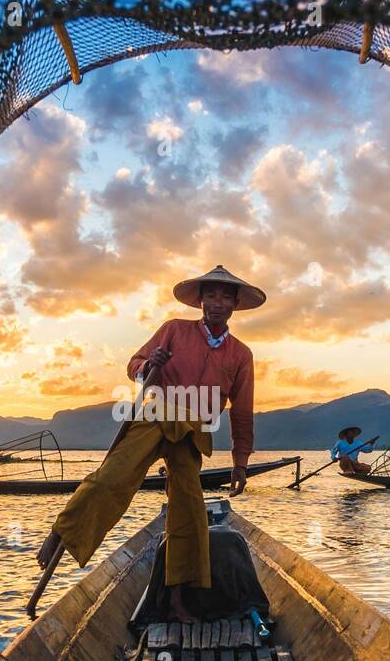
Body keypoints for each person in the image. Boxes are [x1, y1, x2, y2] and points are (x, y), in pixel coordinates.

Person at [36, 265, 264, 624]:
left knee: (189, 512)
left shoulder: (240, 354)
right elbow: (134, 365)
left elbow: (243, 412)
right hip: (155, 414)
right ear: (201, 300)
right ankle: (62, 530)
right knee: (114, 478)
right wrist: (148, 364)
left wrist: (240, 462)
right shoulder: (174, 329)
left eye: (225, 297)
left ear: (235, 304)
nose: (217, 303)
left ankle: (177, 600)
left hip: (193, 431)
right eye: (211, 295)